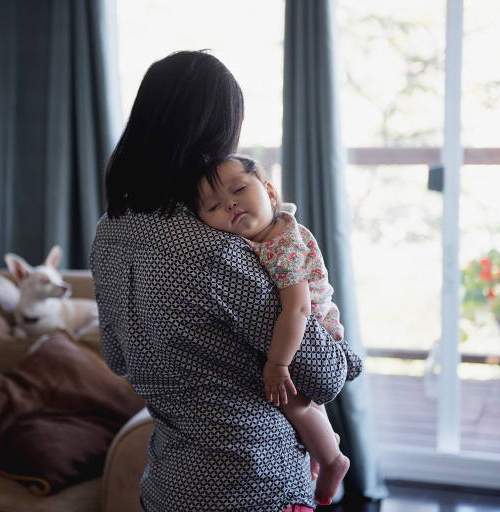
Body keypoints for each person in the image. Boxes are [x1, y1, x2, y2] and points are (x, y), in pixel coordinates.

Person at [90, 50, 351, 512]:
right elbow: (324, 375)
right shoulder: (216, 251)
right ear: (213, 136)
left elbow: (117, 357)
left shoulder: (108, 231)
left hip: (169, 485)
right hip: (253, 481)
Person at [189, 154, 363, 506]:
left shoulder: (281, 245)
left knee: (293, 405)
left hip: (309, 333)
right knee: (307, 404)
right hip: (300, 329)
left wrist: (278, 364)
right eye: (214, 207)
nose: (231, 204)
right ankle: (323, 445)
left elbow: (297, 309)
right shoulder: (263, 235)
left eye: (238, 189)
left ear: (269, 191)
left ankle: (332, 461)